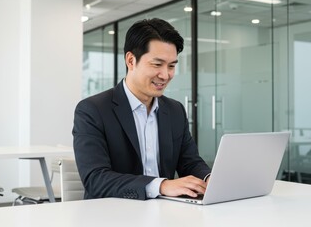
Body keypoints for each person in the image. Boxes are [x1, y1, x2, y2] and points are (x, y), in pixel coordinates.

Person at [73, 18, 211, 200]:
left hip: (164, 213)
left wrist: (209, 179)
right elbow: (96, 179)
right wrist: (161, 185)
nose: (165, 75)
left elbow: (190, 162)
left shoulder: (175, 110)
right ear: (131, 60)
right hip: (112, 214)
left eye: (171, 66)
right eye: (157, 64)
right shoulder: (92, 110)